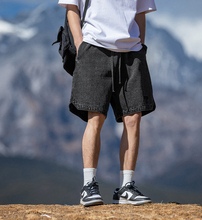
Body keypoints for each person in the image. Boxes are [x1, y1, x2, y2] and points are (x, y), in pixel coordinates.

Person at [58, 0, 156, 207]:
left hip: (132, 52)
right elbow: (71, 7)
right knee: (96, 117)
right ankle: (88, 186)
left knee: (133, 117)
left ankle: (126, 187)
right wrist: (80, 45)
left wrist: (140, 46)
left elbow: (140, 13)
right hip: (94, 48)